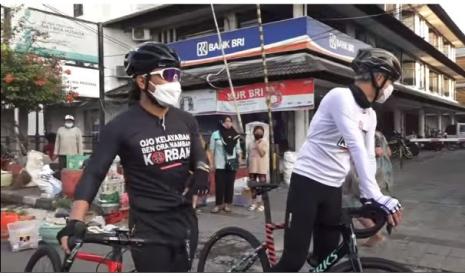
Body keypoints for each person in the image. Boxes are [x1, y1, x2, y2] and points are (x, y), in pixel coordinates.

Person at [56, 42, 210, 272]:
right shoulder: (120, 127)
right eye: (166, 75)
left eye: (176, 75)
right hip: (147, 226)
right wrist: (75, 220)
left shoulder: (186, 120)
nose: (174, 83)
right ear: (141, 81)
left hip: (185, 221)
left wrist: (201, 170)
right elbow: (94, 173)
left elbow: (199, 154)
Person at [271, 48, 404, 271]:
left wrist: (370, 196)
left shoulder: (369, 115)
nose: (390, 88)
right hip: (307, 183)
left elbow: (368, 156)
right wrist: (374, 194)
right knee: (293, 261)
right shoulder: (339, 97)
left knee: (326, 258)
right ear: (379, 78)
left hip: (333, 188)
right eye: (390, 81)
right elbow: (354, 145)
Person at [343, 129, 394, 247]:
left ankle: (375, 234)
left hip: (370, 174)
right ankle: (377, 230)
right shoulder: (379, 134)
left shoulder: (364, 135)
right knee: (367, 202)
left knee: (350, 202)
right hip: (383, 175)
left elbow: (378, 152)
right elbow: (389, 153)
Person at [209, 115, 242, 213]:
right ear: (222, 122)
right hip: (219, 163)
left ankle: (227, 204)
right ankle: (218, 205)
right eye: (226, 121)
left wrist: (239, 159)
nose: (228, 123)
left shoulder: (235, 134)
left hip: (232, 163)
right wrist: (211, 163)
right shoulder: (215, 134)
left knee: (229, 184)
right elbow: (211, 150)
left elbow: (238, 149)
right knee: (219, 185)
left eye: (230, 121)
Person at [247, 125, 269, 212]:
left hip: (261, 168)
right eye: (257, 131)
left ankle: (262, 204)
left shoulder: (264, 142)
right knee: (253, 186)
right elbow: (249, 155)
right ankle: (254, 203)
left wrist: (257, 145)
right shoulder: (250, 143)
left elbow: (262, 154)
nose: (258, 133)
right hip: (252, 168)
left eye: (260, 132)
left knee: (262, 187)